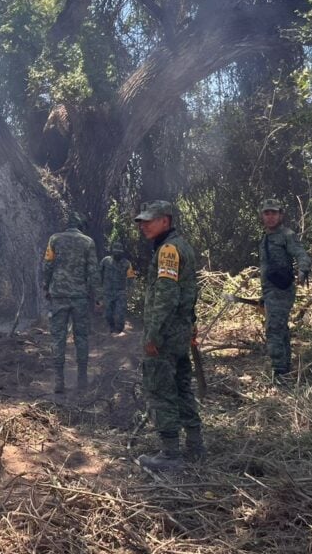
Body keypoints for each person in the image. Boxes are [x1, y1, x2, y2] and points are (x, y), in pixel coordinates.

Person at [134, 200, 203, 471]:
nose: (143, 226)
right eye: (142, 221)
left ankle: (170, 454)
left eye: (149, 220)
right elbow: (189, 291)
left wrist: (152, 334)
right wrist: (191, 324)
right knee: (182, 386)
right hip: (179, 330)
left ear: (166, 221)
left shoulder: (168, 250)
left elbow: (166, 295)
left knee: (160, 388)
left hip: (166, 333)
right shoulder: (180, 245)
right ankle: (196, 446)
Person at [42, 212, 99, 394]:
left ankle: (59, 381)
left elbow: (47, 265)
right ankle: (82, 379)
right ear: (80, 225)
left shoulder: (55, 239)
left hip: (58, 295)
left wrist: (46, 286)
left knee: (58, 337)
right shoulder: (88, 242)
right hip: (79, 296)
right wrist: (97, 295)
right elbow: (93, 271)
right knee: (81, 336)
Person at [258, 198, 312, 383]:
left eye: (274, 213)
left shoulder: (287, 235)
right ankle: (285, 369)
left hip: (282, 290)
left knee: (274, 329)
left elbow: (301, 254)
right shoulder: (265, 237)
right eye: (267, 213)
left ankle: (279, 374)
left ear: (281, 215)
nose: (270, 217)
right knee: (280, 329)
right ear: (262, 216)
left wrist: (303, 270)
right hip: (269, 291)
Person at [100, 242, 137, 335]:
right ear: (112, 251)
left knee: (120, 313)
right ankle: (112, 328)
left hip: (121, 292)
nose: (117, 253)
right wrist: (98, 288)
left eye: (119, 251)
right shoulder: (105, 261)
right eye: (115, 251)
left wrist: (130, 290)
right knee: (108, 313)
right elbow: (99, 274)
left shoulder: (127, 263)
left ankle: (119, 330)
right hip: (107, 291)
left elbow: (131, 277)